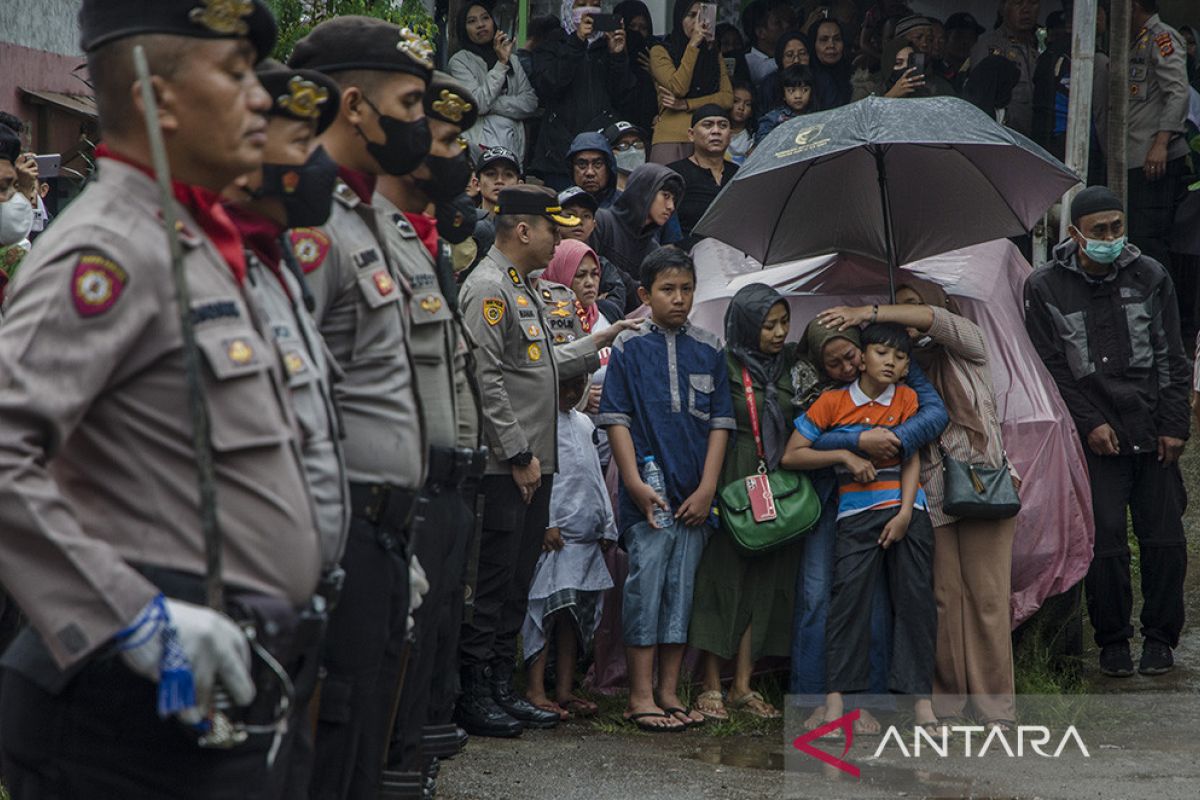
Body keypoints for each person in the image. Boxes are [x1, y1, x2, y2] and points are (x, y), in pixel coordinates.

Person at [0, 2, 324, 795]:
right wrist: (122, 613)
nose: (260, 98)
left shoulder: (197, 245)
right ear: (159, 97)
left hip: (220, 679)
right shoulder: (109, 246)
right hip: (133, 699)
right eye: (236, 73)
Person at [286, 17, 433, 798]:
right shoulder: (313, 225)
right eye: (409, 102)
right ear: (354, 105)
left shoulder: (373, 214)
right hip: (336, 531)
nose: (421, 124)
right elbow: (288, 396)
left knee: (363, 753)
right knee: (331, 753)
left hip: (378, 534)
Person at [456, 185, 635, 738]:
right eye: (553, 228)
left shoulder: (523, 287)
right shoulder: (487, 288)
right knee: (492, 585)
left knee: (514, 585)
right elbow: (485, 380)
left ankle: (501, 690)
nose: (563, 236)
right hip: (505, 465)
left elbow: (542, 361)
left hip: (532, 464)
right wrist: (517, 452)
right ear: (523, 230)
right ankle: (474, 694)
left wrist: (604, 335)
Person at [219, 58, 347, 797]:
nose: (316, 163)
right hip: (208, 631)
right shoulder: (148, 256)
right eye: (299, 143)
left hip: (293, 618)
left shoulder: (268, 268)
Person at [820, 278, 1020, 730]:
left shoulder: (968, 344)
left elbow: (935, 322)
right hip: (931, 492)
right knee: (943, 600)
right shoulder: (904, 368)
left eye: (909, 306)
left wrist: (871, 312)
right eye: (897, 305)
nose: (901, 315)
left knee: (988, 599)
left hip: (985, 483)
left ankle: (995, 710)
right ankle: (947, 705)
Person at [370, 72, 486, 795]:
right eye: (436, 136)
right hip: (389, 492)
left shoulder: (427, 242)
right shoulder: (355, 236)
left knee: (420, 652)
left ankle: (410, 755)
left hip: (440, 481)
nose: (452, 155)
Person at [1024, 186, 1190, 678]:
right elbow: (1050, 369)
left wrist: (1175, 426)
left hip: (1153, 429)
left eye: (1118, 227)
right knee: (1106, 544)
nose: (1112, 238)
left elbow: (1172, 357)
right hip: (1095, 438)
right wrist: (1089, 423)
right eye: (1100, 231)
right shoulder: (1045, 287)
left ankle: (1161, 639)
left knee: (1165, 542)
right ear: (1075, 233)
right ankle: (1113, 641)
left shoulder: (1151, 276)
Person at [789, 316, 948, 734]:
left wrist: (903, 512)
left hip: (907, 515)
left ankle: (921, 706)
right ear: (862, 359)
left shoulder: (909, 398)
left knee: (916, 604)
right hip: (855, 517)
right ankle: (838, 703)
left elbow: (910, 455)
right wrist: (844, 456)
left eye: (899, 356)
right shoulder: (833, 402)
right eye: (880, 353)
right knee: (848, 606)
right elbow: (793, 454)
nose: (891, 362)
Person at [597, 246, 734, 732]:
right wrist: (633, 483)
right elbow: (616, 418)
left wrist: (708, 488)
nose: (679, 299)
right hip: (649, 496)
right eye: (667, 290)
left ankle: (670, 691)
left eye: (686, 289)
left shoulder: (710, 348)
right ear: (644, 294)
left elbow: (721, 422)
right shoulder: (631, 348)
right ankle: (638, 695)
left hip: (696, 496)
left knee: (682, 590)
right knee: (645, 588)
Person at [688, 286, 803, 721]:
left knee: (766, 584)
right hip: (734, 478)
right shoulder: (724, 362)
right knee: (723, 578)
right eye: (767, 325)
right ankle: (710, 684)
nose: (778, 333)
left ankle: (743, 684)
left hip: (776, 485)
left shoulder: (791, 367)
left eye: (783, 323)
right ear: (745, 326)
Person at [521, 373, 617, 720]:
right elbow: (544, 478)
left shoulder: (583, 423)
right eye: (565, 384)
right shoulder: (539, 421)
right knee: (544, 616)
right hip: (555, 540)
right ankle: (535, 689)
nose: (573, 392)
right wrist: (546, 522)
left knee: (571, 624)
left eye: (579, 385)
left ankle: (563, 690)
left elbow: (593, 474)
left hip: (585, 537)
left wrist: (607, 523)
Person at [529, 1, 635, 189]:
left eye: (595, 4)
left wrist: (618, 56)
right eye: (581, 3)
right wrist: (577, 41)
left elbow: (624, 97)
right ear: (568, 7)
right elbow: (549, 85)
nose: (589, 9)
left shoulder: (606, 45)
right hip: (560, 152)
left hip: (602, 150)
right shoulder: (552, 43)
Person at [1125, 0, 1190, 296]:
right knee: (1137, 235)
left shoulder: (1161, 37)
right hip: (1134, 154)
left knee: (1150, 238)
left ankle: (1166, 309)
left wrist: (1161, 142)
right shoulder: (1132, 40)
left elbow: (1177, 92)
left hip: (1154, 155)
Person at [448, 1, 539, 162]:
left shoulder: (513, 60)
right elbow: (479, 104)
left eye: (485, 18)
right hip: (479, 145)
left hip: (512, 144)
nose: (481, 25)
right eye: (472, 21)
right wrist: (501, 64)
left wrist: (493, 105)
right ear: (464, 29)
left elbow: (530, 103)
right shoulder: (460, 62)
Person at [591, 162, 684, 312]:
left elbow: (646, 300)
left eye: (673, 199)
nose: (671, 206)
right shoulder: (602, 222)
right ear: (644, 191)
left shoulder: (653, 250)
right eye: (665, 196)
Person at [648, 0, 733, 165]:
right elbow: (678, 88)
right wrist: (693, 45)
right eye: (692, 15)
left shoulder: (712, 51)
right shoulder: (659, 51)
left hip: (708, 136)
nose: (697, 22)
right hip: (672, 138)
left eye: (702, 16)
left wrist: (686, 104)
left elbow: (727, 98)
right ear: (679, 19)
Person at [667, 104, 738, 242]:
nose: (716, 131)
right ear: (691, 134)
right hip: (687, 256)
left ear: (730, 135)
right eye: (708, 125)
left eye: (723, 126)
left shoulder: (740, 174)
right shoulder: (673, 174)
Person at [558, 185, 627, 322]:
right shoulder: (544, 260)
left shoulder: (601, 264)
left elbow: (616, 298)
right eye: (570, 214)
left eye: (586, 216)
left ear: (594, 225)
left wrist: (594, 308)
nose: (579, 221)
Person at [969, 0, 1038, 136]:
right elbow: (981, 97)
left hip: (1034, 136)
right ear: (1002, 8)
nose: (1026, 10)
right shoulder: (989, 46)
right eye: (1018, 3)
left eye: (1033, 3)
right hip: (1003, 135)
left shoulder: (1037, 47)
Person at [471, 145, 524, 270]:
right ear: (476, 183)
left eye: (508, 175)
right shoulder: (466, 224)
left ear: (520, 185)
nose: (499, 180)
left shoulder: (527, 228)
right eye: (491, 174)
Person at [614, 0, 661, 132]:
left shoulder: (655, 54)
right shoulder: (607, 57)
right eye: (631, 26)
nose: (637, 32)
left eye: (643, 28)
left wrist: (656, 74)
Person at [756, 65, 817, 143]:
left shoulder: (816, 115)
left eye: (804, 90)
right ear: (783, 95)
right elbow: (761, 139)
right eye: (791, 90)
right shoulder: (774, 117)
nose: (798, 96)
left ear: (811, 93)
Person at [756, 29, 811, 115]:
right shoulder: (769, 85)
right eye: (789, 55)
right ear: (780, 59)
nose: (796, 60)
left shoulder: (821, 81)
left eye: (802, 53)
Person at [743, 0, 796, 85]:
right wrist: (801, 36)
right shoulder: (747, 60)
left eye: (787, 21)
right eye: (778, 23)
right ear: (760, 32)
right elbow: (763, 72)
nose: (786, 26)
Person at [566, 131, 621, 209]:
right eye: (582, 164)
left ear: (609, 168)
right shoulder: (562, 204)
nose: (590, 172)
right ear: (571, 168)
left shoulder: (625, 205)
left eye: (598, 164)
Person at [808, 16, 854, 109]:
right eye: (824, 40)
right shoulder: (805, 80)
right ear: (813, 44)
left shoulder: (853, 76)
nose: (831, 45)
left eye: (837, 39)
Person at [603, 119, 650, 191]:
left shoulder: (654, 191)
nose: (633, 151)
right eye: (623, 145)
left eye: (638, 144)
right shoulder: (604, 195)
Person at [943, 11, 984, 78]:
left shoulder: (977, 75)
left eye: (971, 37)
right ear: (945, 37)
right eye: (959, 36)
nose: (965, 42)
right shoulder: (932, 69)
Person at [728, 80, 756, 165]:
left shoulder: (752, 138)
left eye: (747, 104)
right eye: (736, 101)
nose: (741, 107)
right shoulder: (717, 132)